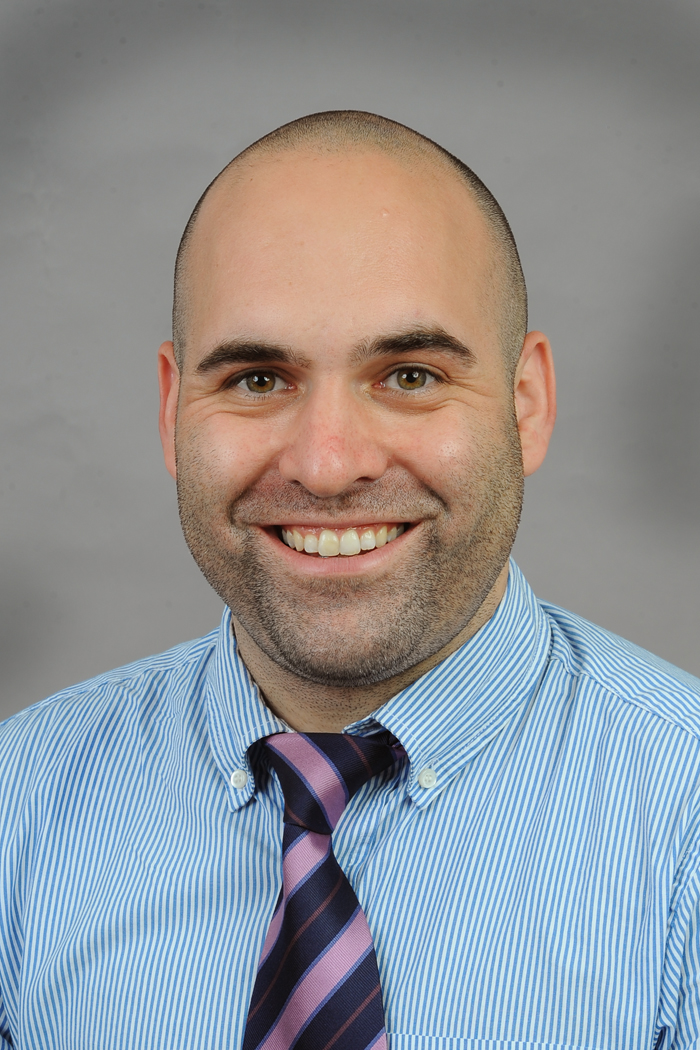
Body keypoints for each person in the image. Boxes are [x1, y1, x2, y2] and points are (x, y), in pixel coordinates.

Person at [0, 111, 698, 1050]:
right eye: (257, 380)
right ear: (172, 412)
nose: (327, 467)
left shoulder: (686, 819)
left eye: (409, 376)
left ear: (526, 404)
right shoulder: (17, 808)